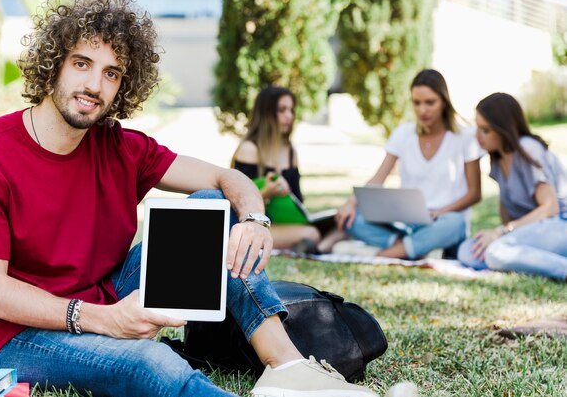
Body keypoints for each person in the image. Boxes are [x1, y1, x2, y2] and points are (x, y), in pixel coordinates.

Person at [0, 0, 417, 397]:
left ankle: (288, 367)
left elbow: (227, 181)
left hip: (108, 296)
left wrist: (254, 218)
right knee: (152, 363)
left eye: (112, 73)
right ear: (53, 64)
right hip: (15, 337)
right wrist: (106, 321)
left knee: (213, 209)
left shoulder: (120, 146)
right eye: (82, 63)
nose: (94, 84)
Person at [334, 69, 484, 259]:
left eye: (430, 102)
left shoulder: (465, 137)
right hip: (408, 222)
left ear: (444, 102)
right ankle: (416, 248)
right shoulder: (403, 134)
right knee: (352, 220)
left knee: (456, 223)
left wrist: (439, 212)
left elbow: (474, 194)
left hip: (444, 220)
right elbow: (378, 179)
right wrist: (351, 203)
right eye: (417, 103)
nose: (422, 110)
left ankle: (390, 252)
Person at [457, 93, 567, 281]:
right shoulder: (498, 160)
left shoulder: (528, 148)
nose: (478, 136)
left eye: (485, 130)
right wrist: (496, 235)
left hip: (559, 225)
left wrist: (501, 232)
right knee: (468, 251)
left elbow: (550, 208)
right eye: (477, 128)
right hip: (531, 233)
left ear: (503, 129)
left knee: (496, 251)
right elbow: (507, 213)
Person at [231, 86, 343, 253]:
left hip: (287, 225)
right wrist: (267, 192)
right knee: (311, 233)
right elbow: (237, 205)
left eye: (291, 110)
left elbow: (298, 200)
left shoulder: (290, 151)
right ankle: (316, 248)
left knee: (343, 224)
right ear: (266, 113)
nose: (289, 116)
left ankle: (314, 248)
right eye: (282, 110)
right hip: (255, 225)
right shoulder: (249, 150)